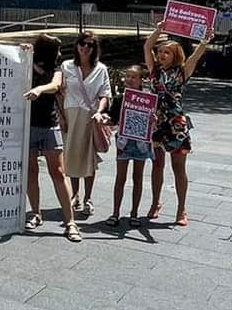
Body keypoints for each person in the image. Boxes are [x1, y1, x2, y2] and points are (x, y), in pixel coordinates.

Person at [144, 21, 213, 226]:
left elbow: (195, 56)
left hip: (176, 123)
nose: (162, 55)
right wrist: (158, 30)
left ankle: (182, 208)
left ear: (175, 56)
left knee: (178, 167)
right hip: (157, 122)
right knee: (157, 165)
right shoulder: (154, 71)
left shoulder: (182, 72)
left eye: (167, 52)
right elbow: (147, 47)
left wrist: (204, 41)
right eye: (161, 52)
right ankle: (156, 202)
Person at [23, 34, 81, 242]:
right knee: (31, 171)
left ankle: (70, 222)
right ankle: (36, 213)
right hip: (28, 124)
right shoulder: (26, 63)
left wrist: (39, 88)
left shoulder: (56, 71)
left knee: (58, 172)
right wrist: (22, 50)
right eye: (56, 50)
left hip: (49, 124)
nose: (59, 54)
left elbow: (56, 86)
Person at [60, 30, 111, 217]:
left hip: (91, 117)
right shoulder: (66, 66)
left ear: (95, 48)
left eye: (90, 45)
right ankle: (75, 195)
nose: (85, 48)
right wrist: (61, 117)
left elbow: (105, 94)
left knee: (89, 159)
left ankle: (88, 197)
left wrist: (99, 111)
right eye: (83, 43)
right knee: (72, 156)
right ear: (77, 45)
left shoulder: (101, 69)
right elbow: (59, 91)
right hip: (70, 114)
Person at [105, 65, 154, 228]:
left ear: (141, 80)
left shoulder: (148, 99)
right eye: (127, 76)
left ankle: (134, 213)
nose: (130, 80)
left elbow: (153, 121)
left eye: (134, 77)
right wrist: (104, 119)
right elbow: (112, 119)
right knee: (120, 178)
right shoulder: (120, 98)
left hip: (140, 143)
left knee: (138, 178)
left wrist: (153, 120)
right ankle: (115, 212)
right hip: (124, 142)